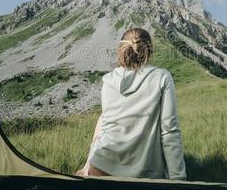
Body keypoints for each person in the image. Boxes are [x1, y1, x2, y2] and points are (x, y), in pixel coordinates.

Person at [75, 28, 186, 180]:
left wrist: (88, 165)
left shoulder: (108, 79)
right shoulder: (162, 77)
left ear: (122, 48)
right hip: (143, 175)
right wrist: (177, 179)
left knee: (102, 118)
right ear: (149, 50)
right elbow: (169, 133)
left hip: (100, 167)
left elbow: (105, 127)